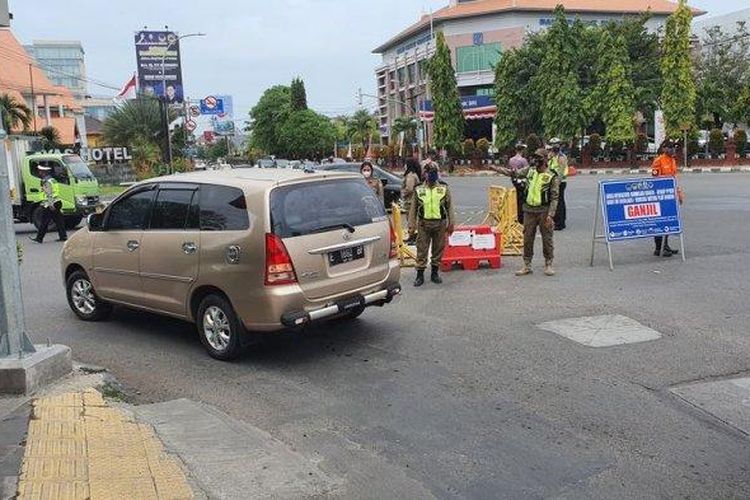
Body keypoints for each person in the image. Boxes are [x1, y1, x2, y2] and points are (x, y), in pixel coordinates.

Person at [495, 148, 560, 276]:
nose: (536, 161)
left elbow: (554, 197)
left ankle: (548, 264)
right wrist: (496, 169)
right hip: (529, 210)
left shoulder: (552, 176)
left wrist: (551, 215)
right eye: (535, 158)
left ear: (545, 160)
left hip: (544, 211)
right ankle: (527, 265)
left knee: (547, 238)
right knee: (527, 238)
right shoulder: (529, 171)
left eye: (539, 158)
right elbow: (514, 173)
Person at [408, 161, 455, 287]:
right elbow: (413, 209)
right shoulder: (419, 189)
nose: (432, 175)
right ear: (425, 174)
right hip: (424, 224)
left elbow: (450, 207)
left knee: (438, 249)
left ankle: (434, 273)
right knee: (421, 249)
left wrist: (452, 223)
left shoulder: (443, 188)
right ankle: (420, 275)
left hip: (440, 224)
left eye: (434, 172)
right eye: (430, 172)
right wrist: (411, 226)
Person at [651, 143, 682, 257]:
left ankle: (666, 245)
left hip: (670, 196)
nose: (673, 149)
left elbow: (674, 179)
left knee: (668, 221)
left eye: (674, 147)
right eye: (670, 147)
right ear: (664, 149)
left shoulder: (672, 160)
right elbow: (655, 179)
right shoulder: (658, 161)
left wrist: (678, 194)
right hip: (660, 196)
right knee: (660, 222)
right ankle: (659, 248)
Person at [29, 165, 67, 244]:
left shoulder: (45, 181)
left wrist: (50, 204)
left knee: (44, 222)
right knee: (59, 220)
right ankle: (63, 236)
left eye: (40, 171)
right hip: (57, 201)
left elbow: (49, 193)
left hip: (50, 204)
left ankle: (39, 239)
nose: (39, 173)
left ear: (44, 173)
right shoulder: (52, 180)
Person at [547, 138, 569, 230]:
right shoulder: (552, 156)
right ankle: (554, 220)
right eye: (552, 145)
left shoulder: (561, 157)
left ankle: (560, 223)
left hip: (560, 182)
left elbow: (561, 172)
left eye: (555, 145)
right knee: (553, 201)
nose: (553, 147)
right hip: (552, 181)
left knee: (559, 202)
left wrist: (557, 183)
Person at [402, 154, 422, 244]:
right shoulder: (414, 174)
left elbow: (409, 188)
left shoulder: (410, 176)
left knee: (411, 219)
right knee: (413, 219)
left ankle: (413, 236)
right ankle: (413, 235)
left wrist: (403, 193)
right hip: (413, 200)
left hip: (410, 201)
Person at [508, 143, 529, 223]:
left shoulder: (511, 160)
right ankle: (522, 217)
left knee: (517, 199)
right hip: (522, 181)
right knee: (523, 200)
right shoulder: (523, 160)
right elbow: (527, 171)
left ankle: (517, 215)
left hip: (514, 180)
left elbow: (510, 169)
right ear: (522, 150)